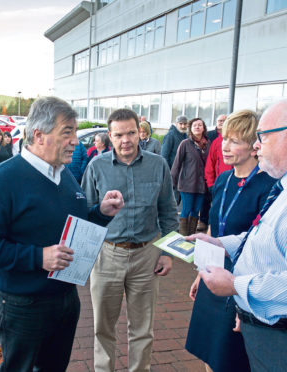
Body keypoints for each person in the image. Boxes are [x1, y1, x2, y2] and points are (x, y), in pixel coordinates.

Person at [0, 96, 124, 372]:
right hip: (22, 303)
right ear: (38, 135)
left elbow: (74, 223)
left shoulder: (64, 176)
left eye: (75, 132)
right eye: (67, 132)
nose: (75, 141)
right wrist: (38, 257)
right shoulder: (3, 179)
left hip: (64, 299)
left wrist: (101, 212)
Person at [194, 98, 287, 372]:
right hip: (286, 335)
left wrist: (237, 285)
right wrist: (220, 243)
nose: (257, 145)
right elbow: (272, 238)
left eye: (263, 136)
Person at [82, 108, 179, 372]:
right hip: (107, 255)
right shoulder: (96, 166)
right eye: (119, 135)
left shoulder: (157, 164)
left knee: (143, 328)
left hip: (147, 255)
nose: (126, 140)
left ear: (140, 132)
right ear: (110, 137)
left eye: (131, 133)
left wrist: (168, 254)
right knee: (103, 326)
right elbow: (85, 214)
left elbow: (169, 212)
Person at [185, 110, 275, 372]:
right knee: (208, 354)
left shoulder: (269, 186)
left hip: (239, 284)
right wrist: (202, 271)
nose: (225, 146)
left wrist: (245, 301)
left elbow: (263, 248)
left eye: (235, 141)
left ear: (254, 146)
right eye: (225, 138)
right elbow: (215, 229)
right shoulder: (224, 179)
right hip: (214, 276)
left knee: (229, 359)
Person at [171, 118, 210, 235]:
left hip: (202, 184)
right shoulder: (185, 144)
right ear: (191, 129)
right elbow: (176, 164)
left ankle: (191, 236)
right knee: (186, 210)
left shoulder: (208, 144)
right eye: (194, 125)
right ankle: (183, 236)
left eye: (200, 125)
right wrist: (172, 181)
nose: (197, 127)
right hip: (187, 183)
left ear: (203, 128)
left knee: (195, 211)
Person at [200, 114, 232, 232]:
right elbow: (210, 164)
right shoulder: (217, 142)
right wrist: (210, 183)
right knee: (215, 211)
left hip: (236, 183)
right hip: (219, 183)